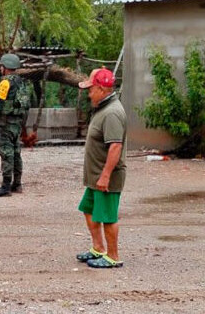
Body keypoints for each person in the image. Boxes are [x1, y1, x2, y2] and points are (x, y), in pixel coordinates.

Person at [76, 67, 126, 268]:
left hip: (106, 177)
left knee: (107, 216)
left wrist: (105, 176)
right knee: (88, 209)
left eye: (91, 89)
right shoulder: (102, 108)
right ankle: (98, 248)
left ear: (102, 90)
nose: (89, 94)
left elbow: (115, 146)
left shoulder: (112, 113)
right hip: (95, 176)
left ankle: (113, 256)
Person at [0, 53, 31, 197]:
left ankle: (5, 187)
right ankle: (17, 184)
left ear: (5, 67)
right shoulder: (21, 82)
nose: (0, 68)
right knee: (16, 153)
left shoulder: (5, 83)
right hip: (17, 123)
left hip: (5, 123)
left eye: (1, 66)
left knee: (6, 153)